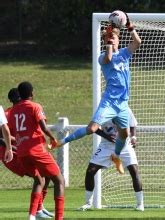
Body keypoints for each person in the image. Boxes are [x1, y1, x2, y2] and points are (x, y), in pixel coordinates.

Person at [49, 13, 141, 175]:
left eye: (113, 38)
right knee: (92, 128)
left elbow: (137, 42)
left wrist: (129, 26)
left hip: (123, 104)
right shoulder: (102, 57)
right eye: (106, 39)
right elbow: (109, 57)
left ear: (119, 39)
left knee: (125, 134)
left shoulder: (125, 55)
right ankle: (60, 142)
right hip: (110, 102)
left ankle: (116, 156)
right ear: (104, 41)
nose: (110, 40)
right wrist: (109, 44)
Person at [7, 81, 65, 220]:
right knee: (59, 181)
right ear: (32, 93)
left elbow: (12, 131)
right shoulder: (35, 106)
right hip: (36, 149)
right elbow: (44, 128)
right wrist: (52, 138)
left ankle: (32, 216)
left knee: (39, 180)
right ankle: (59, 218)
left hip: (21, 152)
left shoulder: (12, 111)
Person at [0, 88, 54, 219]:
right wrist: (20, 142)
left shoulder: (21, 110)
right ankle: (36, 211)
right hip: (11, 154)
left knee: (46, 175)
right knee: (40, 177)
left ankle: (39, 208)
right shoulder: (9, 113)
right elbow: (2, 137)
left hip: (24, 150)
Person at [77, 107, 144, 212]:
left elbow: (132, 125)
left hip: (125, 145)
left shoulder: (125, 108)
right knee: (90, 171)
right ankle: (87, 203)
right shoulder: (101, 111)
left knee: (134, 170)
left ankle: (140, 204)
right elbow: (93, 128)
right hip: (106, 146)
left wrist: (134, 138)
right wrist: (106, 136)